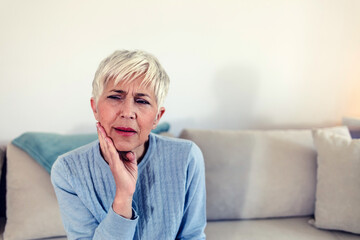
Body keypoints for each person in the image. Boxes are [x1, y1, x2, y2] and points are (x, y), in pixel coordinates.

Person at [51, 50, 207, 239]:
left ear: (158, 117)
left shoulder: (187, 157)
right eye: (115, 97)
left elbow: (192, 235)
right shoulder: (68, 170)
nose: (128, 112)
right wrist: (123, 196)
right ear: (95, 108)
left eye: (142, 101)